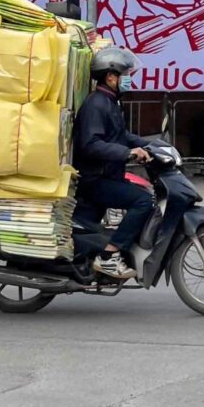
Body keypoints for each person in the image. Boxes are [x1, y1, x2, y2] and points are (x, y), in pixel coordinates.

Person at [72, 47, 154, 279]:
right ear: (111, 77)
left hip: (106, 175)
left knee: (88, 228)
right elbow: (91, 144)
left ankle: (89, 261)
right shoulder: (96, 105)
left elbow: (120, 135)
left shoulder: (110, 102)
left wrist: (152, 145)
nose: (129, 79)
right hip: (95, 179)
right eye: (125, 74)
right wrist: (127, 153)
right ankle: (110, 256)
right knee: (143, 201)